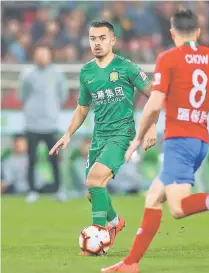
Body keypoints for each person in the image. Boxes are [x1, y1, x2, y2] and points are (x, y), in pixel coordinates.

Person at [101, 9, 209, 273]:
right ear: (198, 32)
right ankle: (131, 263)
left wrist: (137, 137)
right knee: (153, 197)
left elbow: (153, 105)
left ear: (172, 32)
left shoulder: (169, 58)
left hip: (179, 142)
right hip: (200, 141)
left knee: (178, 208)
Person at [49, 21, 156, 255]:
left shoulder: (127, 67)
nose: (97, 43)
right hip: (99, 136)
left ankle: (98, 238)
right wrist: (68, 134)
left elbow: (154, 94)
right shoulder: (86, 71)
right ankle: (116, 222)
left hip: (122, 135)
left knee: (94, 181)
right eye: (92, 38)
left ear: (112, 40)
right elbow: (82, 108)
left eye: (102, 38)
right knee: (92, 191)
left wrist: (151, 127)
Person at [18, 45, 68, 203]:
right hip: (32, 123)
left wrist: (52, 109)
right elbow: (22, 95)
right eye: (39, 54)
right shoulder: (27, 74)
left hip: (51, 123)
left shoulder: (57, 74)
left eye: (45, 54)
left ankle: (58, 189)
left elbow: (63, 95)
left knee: (54, 159)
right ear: (34, 56)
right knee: (31, 159)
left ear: (50, 56)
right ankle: (32, 190)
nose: (42, 57)